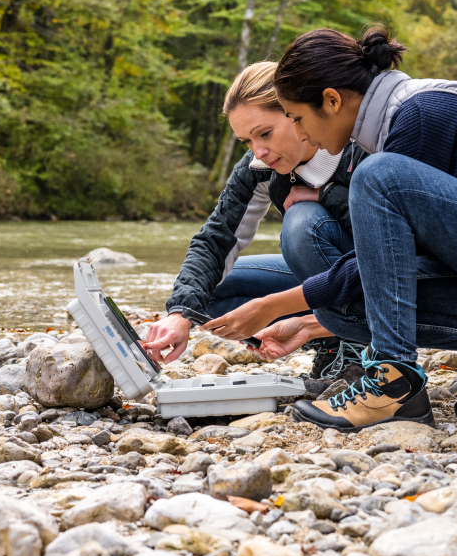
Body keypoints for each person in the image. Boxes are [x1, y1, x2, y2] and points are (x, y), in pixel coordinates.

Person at [221, 27, 457, 431]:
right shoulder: (391, 125)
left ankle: (394, 384)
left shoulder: (422, 112)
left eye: (298, 118)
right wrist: (308, 318)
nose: (300, 133)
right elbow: (385, 266)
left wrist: (273, 304)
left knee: (377, 177)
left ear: (332, 100)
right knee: (343, 308)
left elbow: (382, 261)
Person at [142, 61, 369, 384]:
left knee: (302, 223)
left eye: (265, 133)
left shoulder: (359, 145)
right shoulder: (260, 165)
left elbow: (394, 237)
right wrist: (179, 314)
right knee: (209, 294)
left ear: (295, 111)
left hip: (385, 278)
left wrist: (325, 195)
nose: (259, 151)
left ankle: (361, 345)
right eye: (247, 141)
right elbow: (215, 240)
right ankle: (331, 343)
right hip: (326, 281)